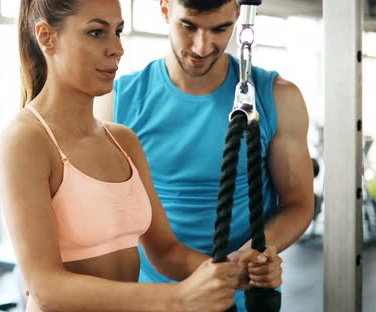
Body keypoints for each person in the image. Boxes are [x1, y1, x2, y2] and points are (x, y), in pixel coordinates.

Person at [0, 0, 283, 311]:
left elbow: (166, 252)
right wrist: (179, 298)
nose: (116, 49)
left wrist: (231, 270)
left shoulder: (123, 139)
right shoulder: (25, 140)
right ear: (46, 37)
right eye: (96, 33)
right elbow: (46, 287)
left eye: (118, 32)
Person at [94, 0, 314, 310]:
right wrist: (223, 271)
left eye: (220, 29)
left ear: (238, 15)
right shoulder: (118, 101)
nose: (202, 46)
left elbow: (298, 203)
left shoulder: (277, 97)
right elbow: (115, 219)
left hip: (239, 294)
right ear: (165, 9)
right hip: (153, 296)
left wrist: (251, 256)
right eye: (189, 26)